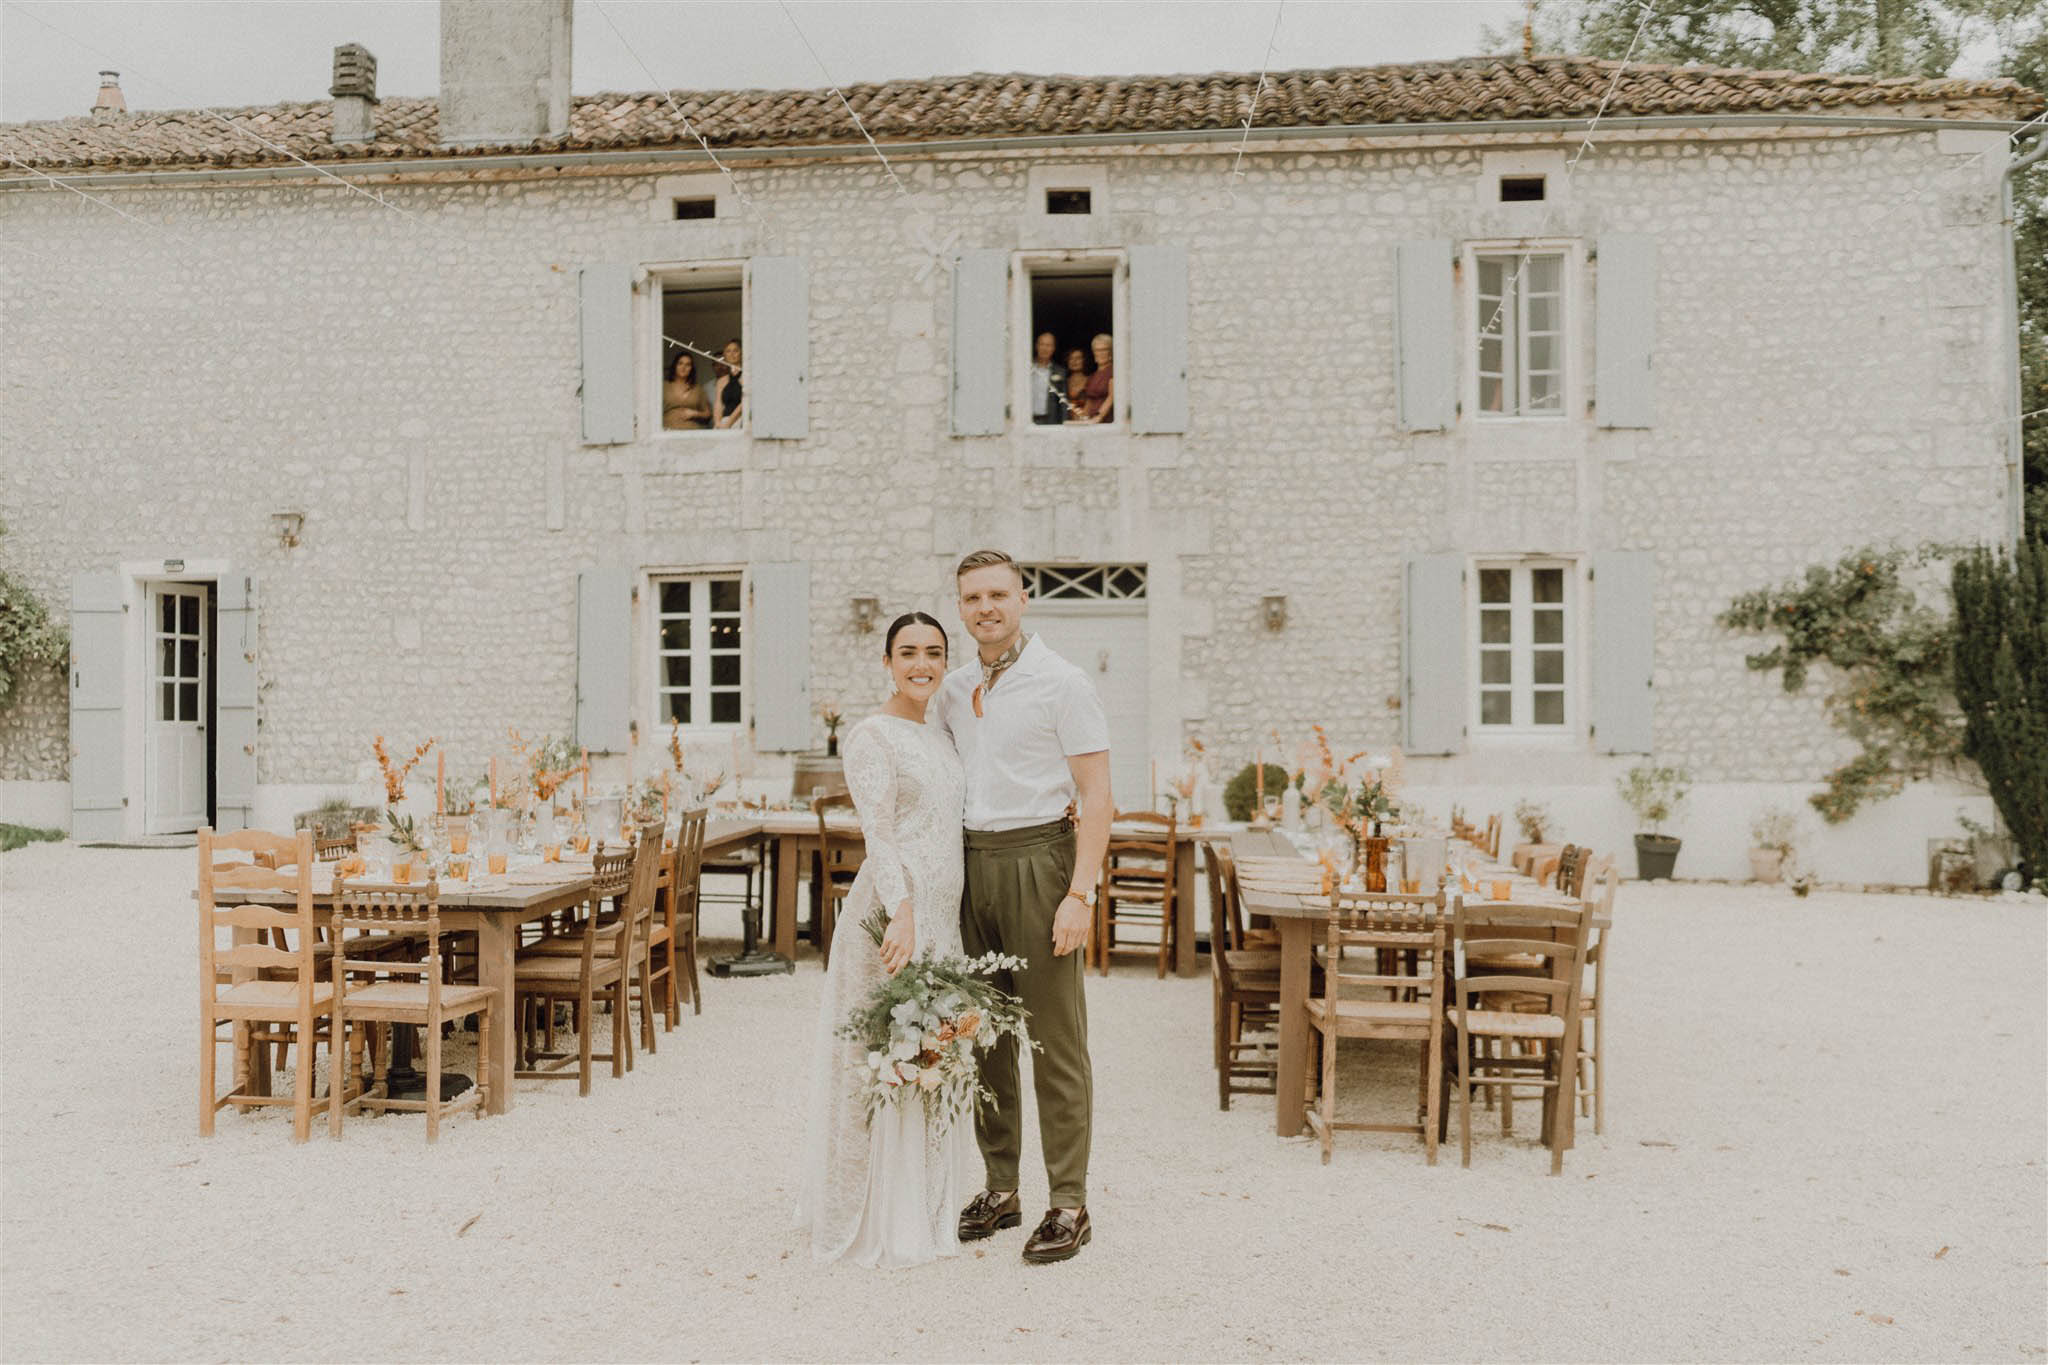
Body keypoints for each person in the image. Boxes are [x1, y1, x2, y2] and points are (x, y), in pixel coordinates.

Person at [936, 549, 1110, 1265]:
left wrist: (1080, 893)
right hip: (969, 864)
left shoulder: (1062, 682)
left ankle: (1069, 1200)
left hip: (1041, 863)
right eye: (972, 597)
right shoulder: (951, 689)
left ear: (1024, 597)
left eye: (998, 594)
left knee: (1055, 1041)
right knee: (984, 1039)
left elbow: (1097, 796)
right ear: (961, 605)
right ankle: (1000, 1185)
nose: (986, 607)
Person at [798, 611, 974, 1268]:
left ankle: (926, 1200)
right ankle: (874, 1208)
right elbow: (881, 834)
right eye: (908, 652)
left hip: (942, 916)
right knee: (886, 1054)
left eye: (933, 652)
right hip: (892, 914)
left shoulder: (943, 737)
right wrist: (901, 913)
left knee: (934, 1050)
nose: (921, 663)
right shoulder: (872, 736)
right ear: (887, 661)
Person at [662, 352, 712, 430]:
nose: (683, 367)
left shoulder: (697, 389)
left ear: (691, 368)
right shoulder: (664, 386)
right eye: (680, 363)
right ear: (675, 366)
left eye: (688, 365)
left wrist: (695, 413)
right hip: (668, 431)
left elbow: (708, 414)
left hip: (692, 433)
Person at [1028, 331, 1066, 425]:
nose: (1045, 348)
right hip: (1027, 420)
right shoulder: (1026, 368)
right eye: (1042, 344)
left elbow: (1063, 402)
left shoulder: (1060, 371)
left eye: (1049, 345)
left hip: (1049, 421)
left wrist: (1064, 424)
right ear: (1036, 346)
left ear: (1053, 348)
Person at [1081, 333, 1114, 424]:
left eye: (1104, 350)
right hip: (1091, 421)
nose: (1100, 353)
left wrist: (1099, 417)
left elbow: (1111, 397)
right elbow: (1089, 400)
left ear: (1110, 352)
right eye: (1097, 350)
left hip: (1106, 421)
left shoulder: (1113, 371)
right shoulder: (1092, 376)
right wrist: (1083, 418)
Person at [713, 338, 745, 429]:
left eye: (735, 351)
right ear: (725, 355)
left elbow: (744, 403)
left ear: (741, 353)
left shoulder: (747, 377)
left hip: (741, 421)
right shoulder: (721, 381)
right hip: (724, 421)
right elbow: (718, 404)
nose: (732, 354)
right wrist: (718, 422)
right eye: (728, 351)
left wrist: (729, 423)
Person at [1064, 347, 1090, 417]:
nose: (1074, 361)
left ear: (1084, 360)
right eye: (1071, 358)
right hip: (1066, 421)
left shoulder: (1091, 380)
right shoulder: (1064, 381)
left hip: (1085, 420)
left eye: (1078, 358)